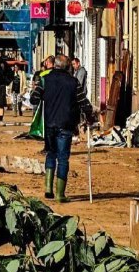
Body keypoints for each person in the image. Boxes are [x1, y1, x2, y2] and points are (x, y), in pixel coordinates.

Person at [30, 54, 95, 203]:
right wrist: (90, 117)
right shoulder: (73, 82)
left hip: (49, 124)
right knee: (63, 158)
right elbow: (84, 102)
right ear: (67, 67)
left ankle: (48, 188)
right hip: (66, 124)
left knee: (51, 154)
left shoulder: (44, 79)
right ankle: (60, 194)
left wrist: (40, 93)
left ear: (55, 65)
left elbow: (34, 98)